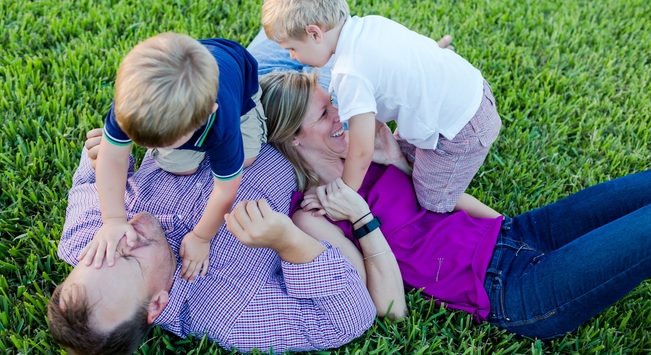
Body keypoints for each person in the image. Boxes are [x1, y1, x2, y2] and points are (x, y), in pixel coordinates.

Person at [259, 70, 651, 339]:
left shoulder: (366, 153)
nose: (341, 115)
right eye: (325, 113)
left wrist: (398, 160)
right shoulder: (313, 216)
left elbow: (442, 201)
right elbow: (390, 307)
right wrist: (361, 216)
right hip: (511, 290)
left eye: (335, 103)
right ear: (294, 137)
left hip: (519, 234)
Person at [47, 129, 377, 354]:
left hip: (221, 104)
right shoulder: (231, 316)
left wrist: (104, 155)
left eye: (100, 251)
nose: (123, 235)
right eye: (129, 257)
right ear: (157, 304)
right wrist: (289, 242)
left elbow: (90, 175)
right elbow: (347, 320)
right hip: (295, 134)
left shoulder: (80, 241)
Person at [261, 0, 501, 217]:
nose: (292, 57)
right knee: (405, 153)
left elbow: (361, 152)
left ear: (314, 33)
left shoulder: (349, 73)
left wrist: (342, 193)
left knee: (432, 197)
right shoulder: (370, 25)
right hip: (470, 91)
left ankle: (499, 221)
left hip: (459, 128)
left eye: (291, 48)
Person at [83, 33, 268, 282]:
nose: (145, 147)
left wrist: (201, 237)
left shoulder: (222, 123)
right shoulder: (129, 103)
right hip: (194, 93)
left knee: (245, 159)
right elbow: (112, 158)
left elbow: (226, 190)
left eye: (162, 142)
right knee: (177, 166)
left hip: (240, 85)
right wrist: (113, 220)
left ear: (205, 116)